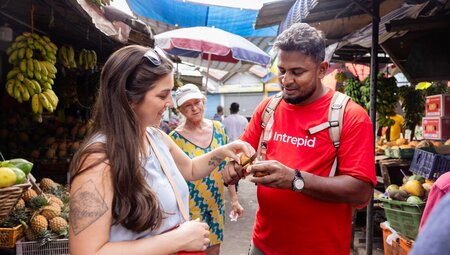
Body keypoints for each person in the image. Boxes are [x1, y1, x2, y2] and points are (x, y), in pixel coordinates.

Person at [68, 45, 254, 255]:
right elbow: (85, 252)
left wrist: (222, 151)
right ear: (128, 99)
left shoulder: (156, 137)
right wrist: (177, 240)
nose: (171, 103)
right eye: (162, 95)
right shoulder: (98, 161)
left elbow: (191, 169)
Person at [222, 23, 376, 255]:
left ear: (322, 69)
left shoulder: (350, 115)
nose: (286, 80)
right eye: (282, 70)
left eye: (297, 72)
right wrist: (233, 167)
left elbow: (361, 190)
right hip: (263, 245)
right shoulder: (269, 108)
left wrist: (295, 180)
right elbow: (243, 152)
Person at [169, 84, 243, 255]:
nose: (194, 108)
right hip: (190, 208)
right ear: (180, 109)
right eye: (188, 105)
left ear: (204, 102)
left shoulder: (218, 128)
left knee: (215, 250)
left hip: (215, 204)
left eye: (197, 102)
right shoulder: (174, 139)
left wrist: (234, 199)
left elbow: (226, 166)